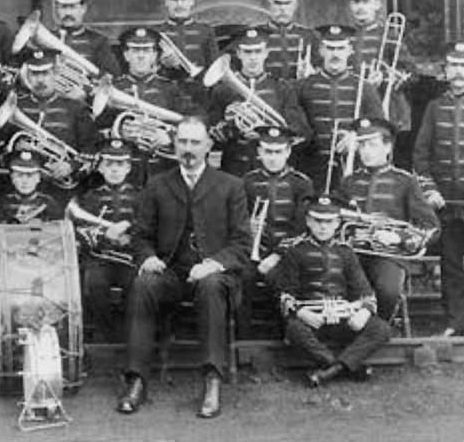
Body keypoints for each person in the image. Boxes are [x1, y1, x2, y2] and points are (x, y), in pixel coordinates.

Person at [117, 116, 250, 418]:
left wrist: (214, 264)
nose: (188, 149)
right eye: (183, 142)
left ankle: (212, 380)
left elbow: (241, 243)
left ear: (208, 146)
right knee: (143, 284)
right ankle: (136, 379)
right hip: (172, 272)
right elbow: (141, 235)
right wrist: (148, 256)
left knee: (211, 286)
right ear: (175, 145)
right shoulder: (157, 184)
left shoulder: (231, 186)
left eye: (195, 142)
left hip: (216, 273)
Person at [270, 197, 391, 387]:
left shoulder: (346, 252)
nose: (323, 227)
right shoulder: (295, 251)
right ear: (308, 221)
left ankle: (330, 371)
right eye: (317, 221)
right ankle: (348, 367)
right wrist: (302, 312)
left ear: (337, 223)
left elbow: (366, 292)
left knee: (381, 329)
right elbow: (284, 293)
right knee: (294, 330)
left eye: (329, 222)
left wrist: (363, 312)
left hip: (342, 320)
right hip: (313, 320)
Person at [412, 41, 464, 336]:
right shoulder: (434, 107)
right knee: (451, 266)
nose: (458, 72)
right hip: (447, 205)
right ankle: (454, 322)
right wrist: (429, 191)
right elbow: (420, 154)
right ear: (445, 70)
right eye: (453, 65)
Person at [337, 117, 439, 321]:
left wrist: (398, 238)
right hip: (353, 253)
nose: (366, 151)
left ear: (388, 147)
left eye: (372, 145)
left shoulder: (406, 181)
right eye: (362, 145)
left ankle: (380, 326)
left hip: (389, 255)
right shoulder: (349, 182)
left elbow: (431, 227)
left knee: (388, 290)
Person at [207, 27, 311, 177]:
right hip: (234, 169)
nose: (253, 57)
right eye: (248, 52)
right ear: (239, 53)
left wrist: (267, 133)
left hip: (271, 171)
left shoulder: (281, 88)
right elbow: (211, 135)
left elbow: (301, 131)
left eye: (258, 51)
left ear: (266, 53)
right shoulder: (222, 91)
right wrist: (227, 128)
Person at [65, 138, 140, 342]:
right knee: (94, 283)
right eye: (109, 164)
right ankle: (107, 335)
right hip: (100, 259)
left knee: (138, 285)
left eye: (120, 164)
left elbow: (149, 227)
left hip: (130, 260)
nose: (114, 169)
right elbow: (81, 231)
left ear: (128, 168)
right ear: (100, 168)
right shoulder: (90, 197)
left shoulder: (140, 197)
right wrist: (104, 235)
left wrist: (129, 230)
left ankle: (130, 335)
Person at [296, 24, 382, 192]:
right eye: (330, 48)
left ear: (350, 50)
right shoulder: (302, 87)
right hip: (313, 169)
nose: (335, 54)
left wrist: (357, 138)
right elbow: (296, 128)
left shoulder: (365, 87)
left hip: (354, 169)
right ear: (321, 50)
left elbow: (381, 129)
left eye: (340, 48)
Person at [2, 49, 98, 198]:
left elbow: (91, 148)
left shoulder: (75, 107)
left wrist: (71, 166)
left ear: (55, 75)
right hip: (23, 187)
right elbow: (2, 147)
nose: (40, 80)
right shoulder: (16, 105)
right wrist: (15, 150)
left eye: (45, 73)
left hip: (64, 189)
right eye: (35, 74)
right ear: (27, 76)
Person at [98, 26, 185, 185]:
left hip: (163, 171)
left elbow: (192, 123)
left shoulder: (170, 88)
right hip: (125, 175)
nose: (140, 56)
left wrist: (169, 138)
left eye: (146, 51)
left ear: (154, 55)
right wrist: (118, 132)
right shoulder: (113, 89)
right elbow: (95, 131)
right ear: (126, 55)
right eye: (135, 50)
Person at [344, 0, 415, 141]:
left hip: (387, 110)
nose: (360, 7)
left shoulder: (390, 35)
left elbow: (412, 74)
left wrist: (384, 77)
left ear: (377, 4)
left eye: (366, 1)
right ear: (350, 5)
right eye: (355, 2)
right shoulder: (344, 36)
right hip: (353, 108)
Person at [242, 126, 315, 277]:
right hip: (253, 250)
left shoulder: (301, 184)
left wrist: (277, 255)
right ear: (259, 152)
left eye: (278, 152)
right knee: (241, 278)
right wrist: (248, 226)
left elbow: (302, 228)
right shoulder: (247, 181)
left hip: (289, 254)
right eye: (268, 151)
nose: (273, 158)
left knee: (278, 278)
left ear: (288, 152)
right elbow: (237, 219)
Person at [151, 0, 218, 89]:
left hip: (199, 91)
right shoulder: (156, 33)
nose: (179, 5)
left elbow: (214, 68)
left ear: (192, 0)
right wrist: (163, 65)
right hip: (167, 92)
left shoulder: (206, 31)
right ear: (166, 1)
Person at [49, 0, 120, 76]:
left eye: (73, 7)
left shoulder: (98, 41)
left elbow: (112, 75)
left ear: (84, 8)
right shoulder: (48, 39)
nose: (68, 13)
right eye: (63, 7)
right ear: (57, 9)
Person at [260, 0, 320, 81]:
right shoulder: (258, 34)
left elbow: (320, 66)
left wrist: (312, 73)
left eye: (287, 3)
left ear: (295, 6)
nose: (282, 8)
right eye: (277, 3)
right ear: (269, 5)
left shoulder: (309, 36)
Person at [0, 150, 63, 224]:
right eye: (19, 175)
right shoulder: (0, 204)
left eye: (30, 176)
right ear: (12, 178)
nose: (25, 181)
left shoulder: (50, 204)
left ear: (38, 178)